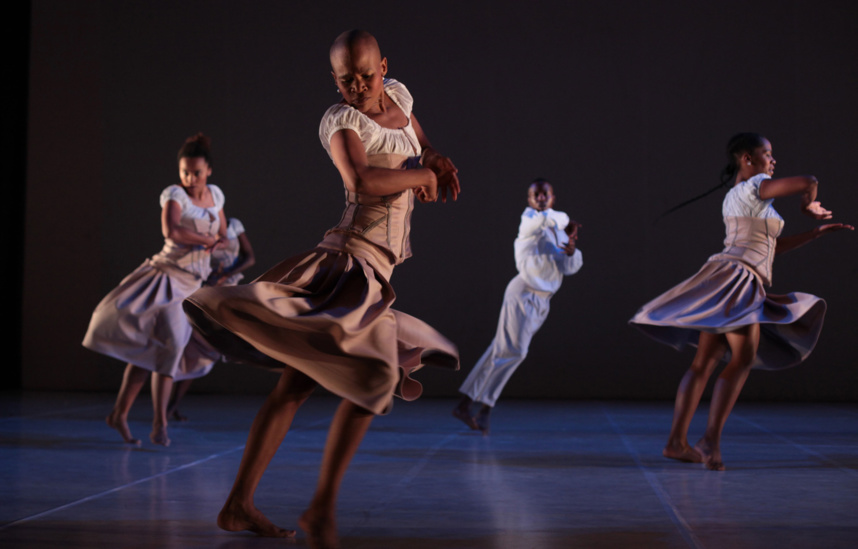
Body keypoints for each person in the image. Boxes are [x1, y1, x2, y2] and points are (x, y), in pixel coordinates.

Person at [182, 30, 460, 547]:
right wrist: (418, 176)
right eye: (346, 80)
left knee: (297, 386)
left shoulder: (398, 96)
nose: (358, 86)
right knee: (374, 378)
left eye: (366, 75)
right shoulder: (341, 121)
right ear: (335, 82)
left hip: (375, 268)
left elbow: (421, 143)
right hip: (352, 264)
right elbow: (360, 180)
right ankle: (320, 511)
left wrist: (435, 160)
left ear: (384, 67)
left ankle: (240, 504)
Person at [630, 133, 853, 471]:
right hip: (739, 278)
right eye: (768, 154)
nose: (773, 161)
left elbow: (769, 248)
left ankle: (677, 442)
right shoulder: (755, 186)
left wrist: (812, 235)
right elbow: (810, 181)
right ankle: (710, 441)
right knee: (742, 358)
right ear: (747, 159)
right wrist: (808, 205)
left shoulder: (739, 197)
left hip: (727, 275)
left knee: (705, 362)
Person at [83, 133, 227, 447]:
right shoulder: (174, 193)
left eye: (196, 173)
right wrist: (206, 241)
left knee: (150, 352)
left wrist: (220, 249)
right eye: (185, 172)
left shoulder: (216, 196)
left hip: (192, 285)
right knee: (171, 348)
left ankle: (118, 413)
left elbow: (224, 234)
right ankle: (159, 425)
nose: (190, 178)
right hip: (166, 279)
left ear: (209, 171)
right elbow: (171, 230)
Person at [453, 179, 582, 434]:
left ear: (553, 197)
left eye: (546, 194)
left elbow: (569, 268)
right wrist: (564, 224)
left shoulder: (558, 228)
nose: (541, 198)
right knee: (515, 351)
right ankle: (481, 407)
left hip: (542, 301)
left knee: (501, 350)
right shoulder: (530, 222)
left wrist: (570, 250)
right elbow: (545, 220)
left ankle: (470, 407)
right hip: (522, 295)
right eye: (536, 195)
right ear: (530, 200)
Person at [167, 217, 256, 421]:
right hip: (204, 291)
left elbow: (250, 257)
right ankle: (170, 406)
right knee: (192, 349)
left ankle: (171, 405)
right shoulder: (200, 232)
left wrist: (226, 274)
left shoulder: (234, 225)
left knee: (211, 348)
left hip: (228, 292)